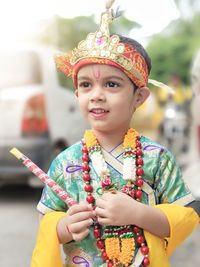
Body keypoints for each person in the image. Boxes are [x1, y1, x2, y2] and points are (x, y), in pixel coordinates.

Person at [31, 1, 199, 267]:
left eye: (111, 84)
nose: (97, 95)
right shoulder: (65, 162)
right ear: (77, 95)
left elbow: (186, 217)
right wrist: (64, 226)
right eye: (86, 85)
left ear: (139, 97)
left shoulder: (157, 158)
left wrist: (138, 214)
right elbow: (46, 219)